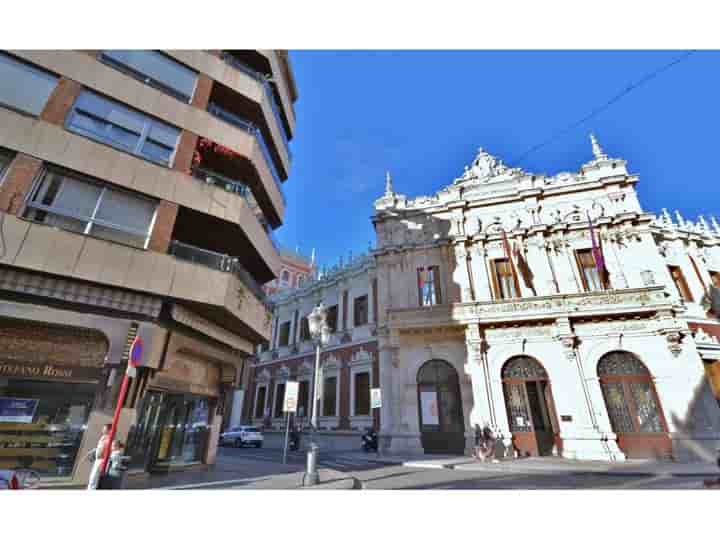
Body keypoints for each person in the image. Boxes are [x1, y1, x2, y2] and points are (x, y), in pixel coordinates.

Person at [86, 423, 111, 490]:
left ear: (108, 430)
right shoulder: (103, 437)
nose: (102, 429)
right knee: (92, 476)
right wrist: (92, 451)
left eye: (104, 428)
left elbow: (105, 448)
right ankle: (90, 488)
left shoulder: (109, 438)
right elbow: (99, 447)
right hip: (98, 458)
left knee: (94, 477)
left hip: (101, 459)